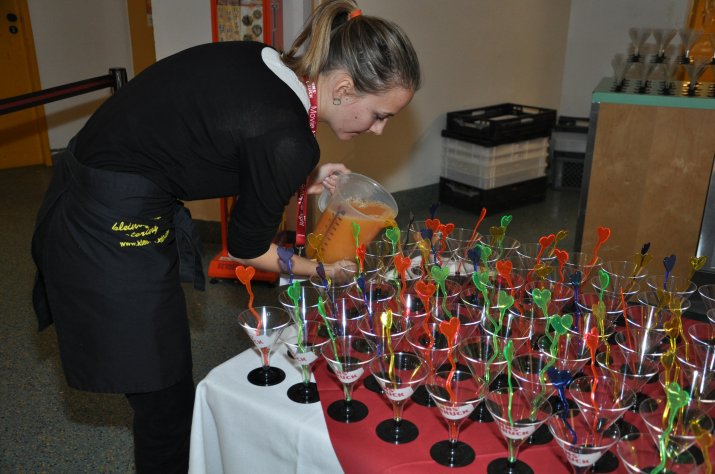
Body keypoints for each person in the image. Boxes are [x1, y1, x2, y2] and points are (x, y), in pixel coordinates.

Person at [30, 0, 420, 471]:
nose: (378, 130)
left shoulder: (267, 63)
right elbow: (247, 249)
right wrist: (321, 269)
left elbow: (232, 135)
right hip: (107, 219)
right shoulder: (287, 138)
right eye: (379, 115)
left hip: (90, 180)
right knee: (164, 399)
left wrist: (300, 175)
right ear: (343, 88)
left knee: (162, 384)